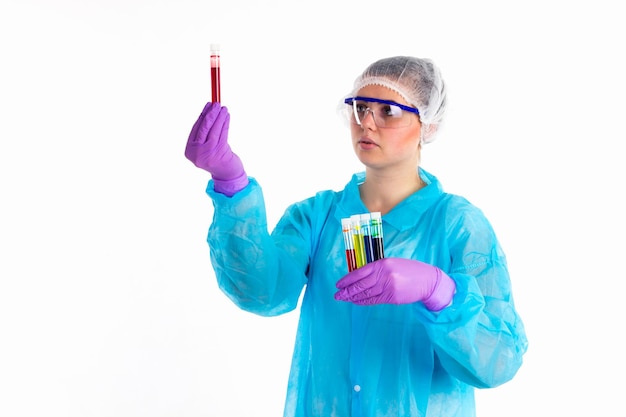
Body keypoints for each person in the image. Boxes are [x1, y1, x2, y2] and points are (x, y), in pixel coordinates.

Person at [184, 55, 528, 417]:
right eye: (360, 107)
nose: (366, 123)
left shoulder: (457, 225)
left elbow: (498, 361)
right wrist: (230, 181)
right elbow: (262, 289)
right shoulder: (320, 217)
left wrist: (440, 291)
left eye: (388, 112)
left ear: (427, 124)